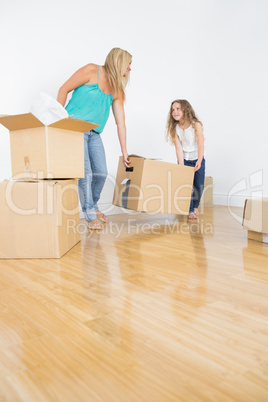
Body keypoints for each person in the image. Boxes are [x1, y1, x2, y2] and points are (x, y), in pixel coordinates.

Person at [57, 48, 132, 229]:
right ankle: (90, 215)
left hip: (94, 133)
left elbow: (120, 123)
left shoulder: (117, 91)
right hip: (74, 129)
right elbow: (64, 89)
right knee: (86, 174)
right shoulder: (92, 71)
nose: (129, 69)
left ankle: (93, 206)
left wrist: (125, 151)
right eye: (128, 64)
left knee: (101, 173)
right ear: (119, 62)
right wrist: (56, 121)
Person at [166, 99, 205, 220]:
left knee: (199, 185)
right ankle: (190, 211)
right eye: (173, 110)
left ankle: (195, 206)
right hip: (185, 160)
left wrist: (199, 160)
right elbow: (178, 148)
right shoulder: (175, 127)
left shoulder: (196, 124)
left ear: (185, 110)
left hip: (197, 158)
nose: (175, 112)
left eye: (178, 109)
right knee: (187, 186)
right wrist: (181, 166)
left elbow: (201, 144)